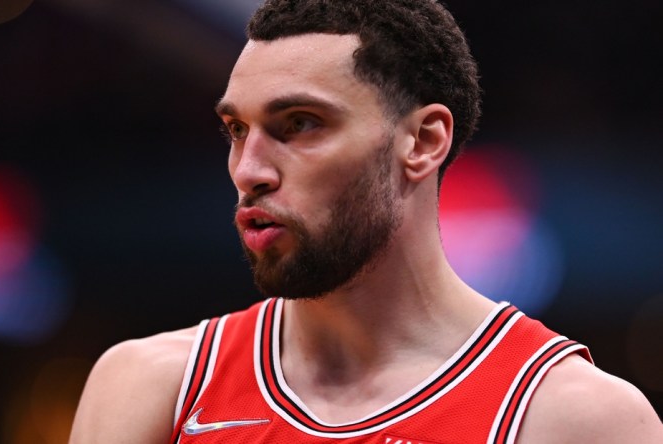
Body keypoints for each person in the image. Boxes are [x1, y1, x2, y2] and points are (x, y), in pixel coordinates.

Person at [69, 1, 663, 442]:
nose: (248, 170)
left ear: (423, 142)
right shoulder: (151, 388)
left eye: (299, 124)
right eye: (236, 131)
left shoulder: (574, 417)